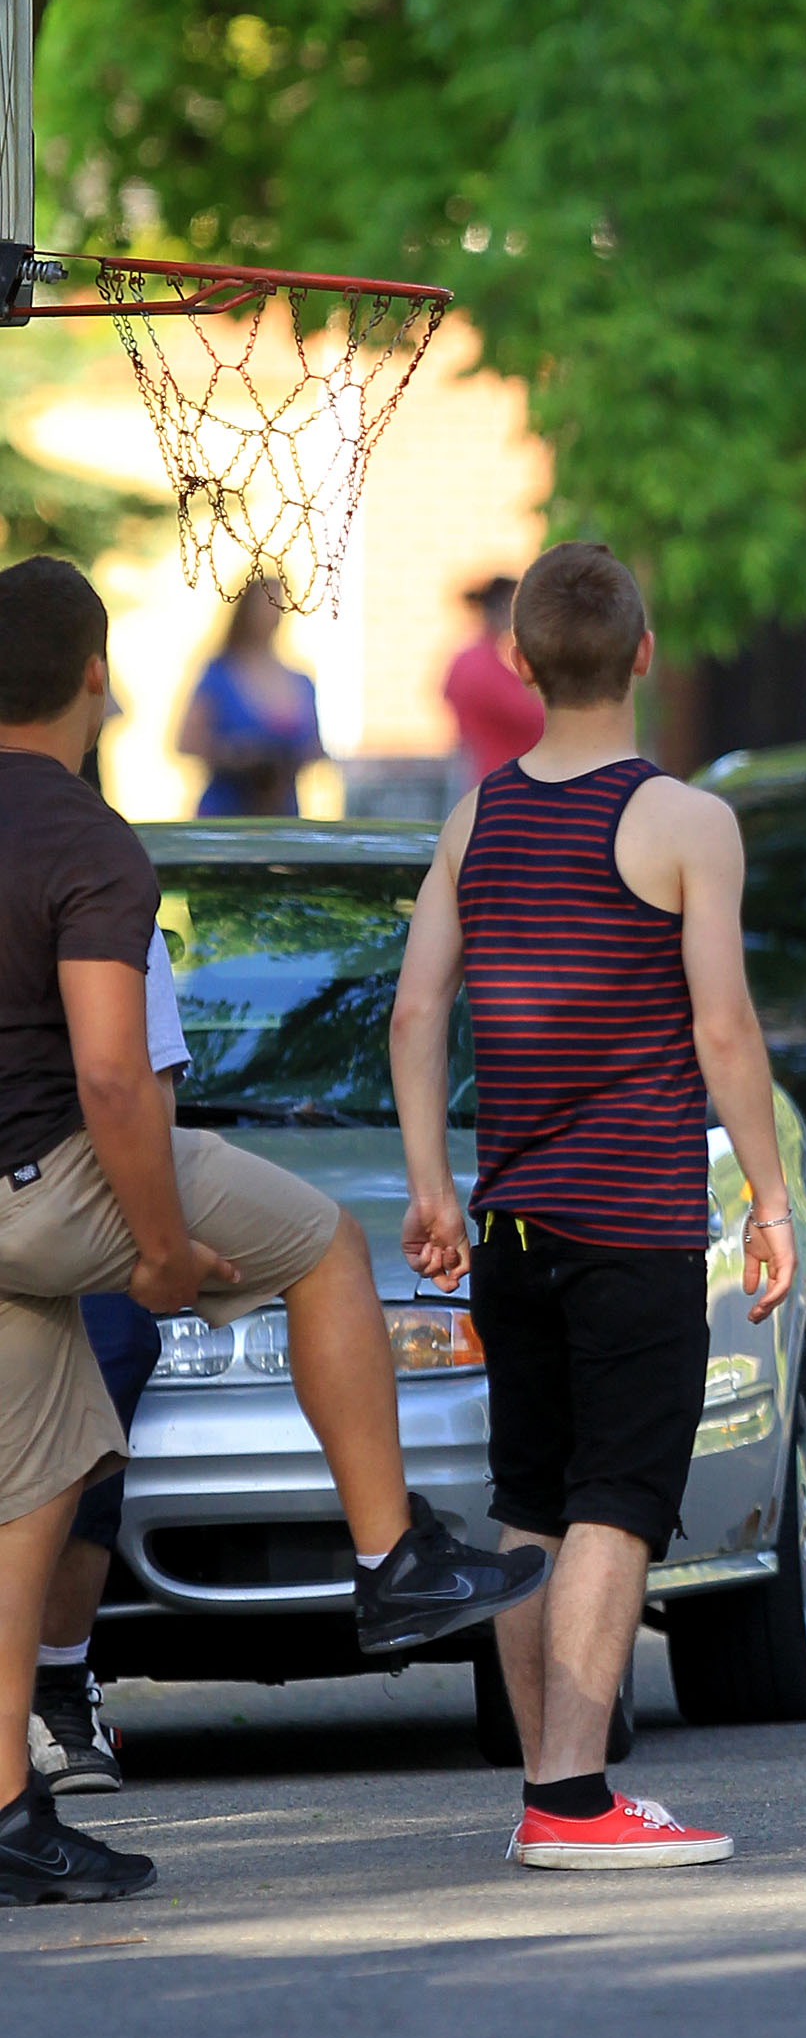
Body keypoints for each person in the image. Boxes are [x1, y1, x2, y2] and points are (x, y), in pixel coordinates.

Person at [0, 556, 551, 1906]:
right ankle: (392, 1558)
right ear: (94, 677)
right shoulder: (84, 839)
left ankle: (9, 1809)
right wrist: (164, 1248)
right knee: (313, 1243)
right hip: (57, 1172)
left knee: (27, 1490)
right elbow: (119, 1080)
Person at [390, 540, 798, 1872]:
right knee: (618, 1502)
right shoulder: (686, 824)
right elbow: (725, 1028)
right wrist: (773, 1200)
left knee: (529, 1504)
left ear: (518, 664)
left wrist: (434, 1189)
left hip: (508, 1230)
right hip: (631, 1227)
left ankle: (543, 1788)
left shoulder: (475, 818)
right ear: (643, 654)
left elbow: (413, 1013)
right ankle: (573, 1802)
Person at [27, 926, 186, 1796]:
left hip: (71, 1194)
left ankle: (56, 1682)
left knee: (110, 1346)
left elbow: (142, 1085)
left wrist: (160, 1245)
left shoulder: (97, 866)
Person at [177, 576, 323, 814]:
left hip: (281, 815)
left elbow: (315, 748)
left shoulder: (301, 680)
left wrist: (288, 759)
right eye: (266, 603)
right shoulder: (219, 673)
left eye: (279, 604)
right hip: (226, 814)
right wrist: (236, 755)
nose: (273, 612)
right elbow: (186, 742)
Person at [444, 575, 545, 785]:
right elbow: (530, 715)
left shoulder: (469, 659)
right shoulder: (482, 665)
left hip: (485, 769)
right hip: (502, 774)